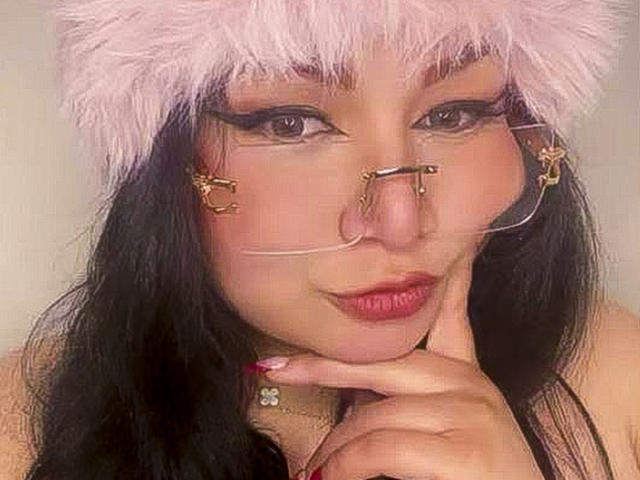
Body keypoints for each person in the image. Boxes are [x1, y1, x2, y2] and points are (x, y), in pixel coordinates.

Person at [1, 1, 639, 479]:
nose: (400, 222)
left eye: (454, 114)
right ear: (167, 162)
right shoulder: (18, 426)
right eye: (292, 123)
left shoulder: (618, 377)